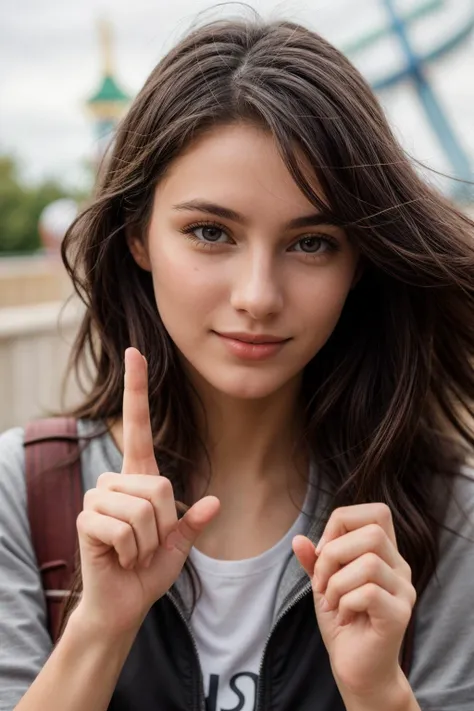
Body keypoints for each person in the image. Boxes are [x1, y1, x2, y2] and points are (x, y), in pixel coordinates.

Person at [1, 13, 474, 711]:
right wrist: (99, 628)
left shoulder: (446, 513)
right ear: (138, 236)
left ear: (359, 262)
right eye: (210, 232)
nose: (258, 296)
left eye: (311, 242)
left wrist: (378, 691)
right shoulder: (26, 490)